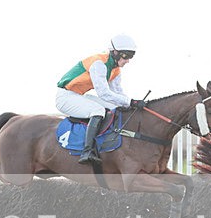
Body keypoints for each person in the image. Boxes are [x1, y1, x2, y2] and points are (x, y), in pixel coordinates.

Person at [55, 34, 146, 165]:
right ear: (115, 52)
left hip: (78, 95)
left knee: (114, 108)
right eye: (126, 56)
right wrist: (130, 102)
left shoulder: (115, 70)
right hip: (65, 97)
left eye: (131, 56)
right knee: (98, 111)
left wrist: (131, 104)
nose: (128, 60)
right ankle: (87, 151)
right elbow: (103, 93)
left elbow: (117, 93)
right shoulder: (99, 63)